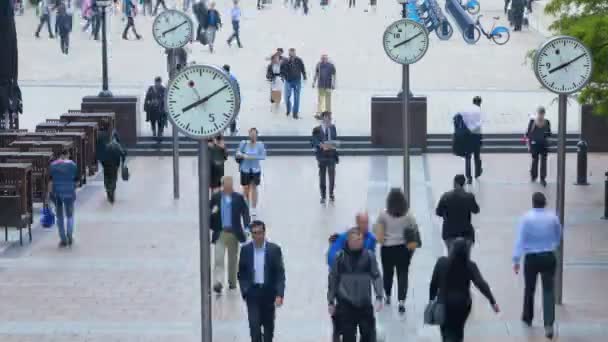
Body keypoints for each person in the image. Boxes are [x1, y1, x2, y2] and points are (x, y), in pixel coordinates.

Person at [429, 238, 500, 342]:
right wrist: (492, 301)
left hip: (444, 302)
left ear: (452, 249)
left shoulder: (442, 262)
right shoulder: (470, 265)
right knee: (458, 329)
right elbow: (480, 283)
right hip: (462, 304)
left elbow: (433, 283)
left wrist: (431, 299)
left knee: (445, 329)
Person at [513, 192, 561, 339]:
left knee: (530, 288)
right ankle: (548, 325)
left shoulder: (526, 219)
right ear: (545, 203)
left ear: (533, 202)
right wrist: (552, 245)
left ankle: (527, 316)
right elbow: (559, 235)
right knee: (548, 290)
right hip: (548, 256)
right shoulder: (553, 218)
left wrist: (516, 260)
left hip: (531, 258)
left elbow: (520, 240)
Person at [328, 228, 383, 342]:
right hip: (346, 304)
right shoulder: (340, 258)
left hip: (365, 303)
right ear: (348, 241)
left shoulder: (369, 256)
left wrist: (379, 296)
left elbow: (376, 276)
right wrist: (331, 301)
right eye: (354, 240)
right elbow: (333, 279)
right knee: (348, 336)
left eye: (360, 240)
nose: (357, 242)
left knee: (368, 335)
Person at [373, 188, 421, 313]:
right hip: (403, 249)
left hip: (387, 249)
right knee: (403, 274)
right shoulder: (408, 215)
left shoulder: (383, 214)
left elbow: (376, 229)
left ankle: (388, 296)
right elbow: (414, 228)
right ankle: (401, 302)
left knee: (388, 273)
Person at [238, 220, 286, 342]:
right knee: (254, 329)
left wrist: (279, 294)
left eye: (259, 233)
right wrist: (245, 290)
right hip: (253, 294)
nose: (257, 236)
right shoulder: (246, 250)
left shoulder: (274, 250)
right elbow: (241, 273)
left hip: (268, 294)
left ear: (264, 233)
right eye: (254, 233)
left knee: (268, 330)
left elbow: (280, 273)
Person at [210, 176, 250, 294]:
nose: (229, 187)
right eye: (226, 185)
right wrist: (212, 216)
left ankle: (232, 282)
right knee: (218, 259)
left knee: (233, 259)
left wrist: (247, 227)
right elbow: (208, 211)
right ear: (223, 185)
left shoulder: (238, 198)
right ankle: (218, 282)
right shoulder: (216, 197)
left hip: (234, 233)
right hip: (220, 232)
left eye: (230, 184)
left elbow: (245, 212)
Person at [435, 174, 480, 251]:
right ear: (464, 184)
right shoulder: (469, 197)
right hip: (465, 234)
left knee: (451, 257)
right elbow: (476, 210)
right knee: (465, 257)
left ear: (454, 183)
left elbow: (438, 212)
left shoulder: (446, 196)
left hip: (449, 233)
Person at [48, 149, 78, 247]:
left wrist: (49, 195)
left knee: (59, 216)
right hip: (69, 192)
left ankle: (63, 238)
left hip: (57, 193)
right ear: (67, 155)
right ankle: (69, 234)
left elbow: (50, 182)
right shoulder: (73, 165)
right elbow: (76, 181)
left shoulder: (53, 165)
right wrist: (73, 188)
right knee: (70, 215)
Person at [236, 128, 266, 217]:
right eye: (251, 134)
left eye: (254, 134)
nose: (252, 135)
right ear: (249, 134)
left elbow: (263, 156)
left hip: (255, 169)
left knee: (254, 187)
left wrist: (251, 157)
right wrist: (242, 155)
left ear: (257, 135)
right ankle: (246, 206)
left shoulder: (260, 145)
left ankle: (253, 207)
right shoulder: (243, 143)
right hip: (245, 169)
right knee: (246, 188)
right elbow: (237, 152)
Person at [312, 111, 338, 204]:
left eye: (330, 117)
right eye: (328, 117)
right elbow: (313, 141)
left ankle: (331, 194)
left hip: (331, 155)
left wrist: (334, 145)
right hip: (322, 156)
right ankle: (323, 196)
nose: (330, 119)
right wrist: (320, 145)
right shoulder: (316, 129)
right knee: (322, 177)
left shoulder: (333, 128)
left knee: (332, 177)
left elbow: (335, 139)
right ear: (323, 118)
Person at [457, 96, 483, 184]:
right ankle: (477, 173)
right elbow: (479, 125)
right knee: (477, 156)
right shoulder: (479, 111)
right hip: (476, 136)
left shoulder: (467, 110)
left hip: (467, 137)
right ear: (480, 103)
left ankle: (469, 177)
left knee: (468, 158)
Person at [526, 106, 551, 187]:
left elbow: (549, 133)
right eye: (539, 113)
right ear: (537, 113)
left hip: (543, 145)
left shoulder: (547, 122)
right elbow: (528, 134)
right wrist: (529, 144)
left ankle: (543, 178)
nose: (541, 115)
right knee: (535, 160)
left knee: (544, 161)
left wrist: (547, 137)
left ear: (544, 114)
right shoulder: (532, 122)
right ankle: (533, 176)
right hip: (534, 145)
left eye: (542, 113)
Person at [280, 48, 307, 119]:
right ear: (289, 53)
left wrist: (304, 76)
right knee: (287, 97)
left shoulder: (299, 60)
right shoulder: (285, 61)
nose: (291, 54)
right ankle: (288, 110)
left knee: (296, 98)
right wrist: (282, 76)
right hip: (288, 81)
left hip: (297, 81)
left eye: (293, 52)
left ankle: (295, 113)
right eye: (290, 53)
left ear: (295, 53)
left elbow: (303, 69)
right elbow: (282, 69)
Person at [102, 132, 127, 203]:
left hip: (106, 165)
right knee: (113, 179)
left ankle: (108, 190)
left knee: (106, 178)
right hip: (114, 165)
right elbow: (122, 154)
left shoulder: (107, 145)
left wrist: (103, 164)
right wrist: (123, 159)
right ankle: (111, 191)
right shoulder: (117, 145)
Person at [312, 54, 336, 120]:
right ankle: (319, 114)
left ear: (327, 59)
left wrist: (333, 84)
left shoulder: (331, 66)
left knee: (328, 101)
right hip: (321, 85)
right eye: (322, 58)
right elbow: (316, 74)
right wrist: (314, 82)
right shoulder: (319, 65)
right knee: (320, 100)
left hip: (328, 86)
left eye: (325, 58)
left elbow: (333, 75)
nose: (323, 60)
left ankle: (328, 115)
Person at [144, 76, 167, 143]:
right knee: (153, 122)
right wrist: (147, 106)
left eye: (159, 82)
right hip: (152, 109)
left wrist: (160, 102)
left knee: (161, 123)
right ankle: (154, 132)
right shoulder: (151, 89)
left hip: (161, 109)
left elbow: (165, 99)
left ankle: (160, 134)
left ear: (160, 82)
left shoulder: (163, 89)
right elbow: (147, 98)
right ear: (155, 82)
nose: (158, 83)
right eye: (157, 82)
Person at [223, 65, 240, 135]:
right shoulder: (233, 78)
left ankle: (224, 131)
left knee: (225, 116)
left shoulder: (223, 77)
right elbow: (237, 89)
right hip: (232, 100)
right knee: (232, 116)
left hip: (225, 100)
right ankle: (232, 131)